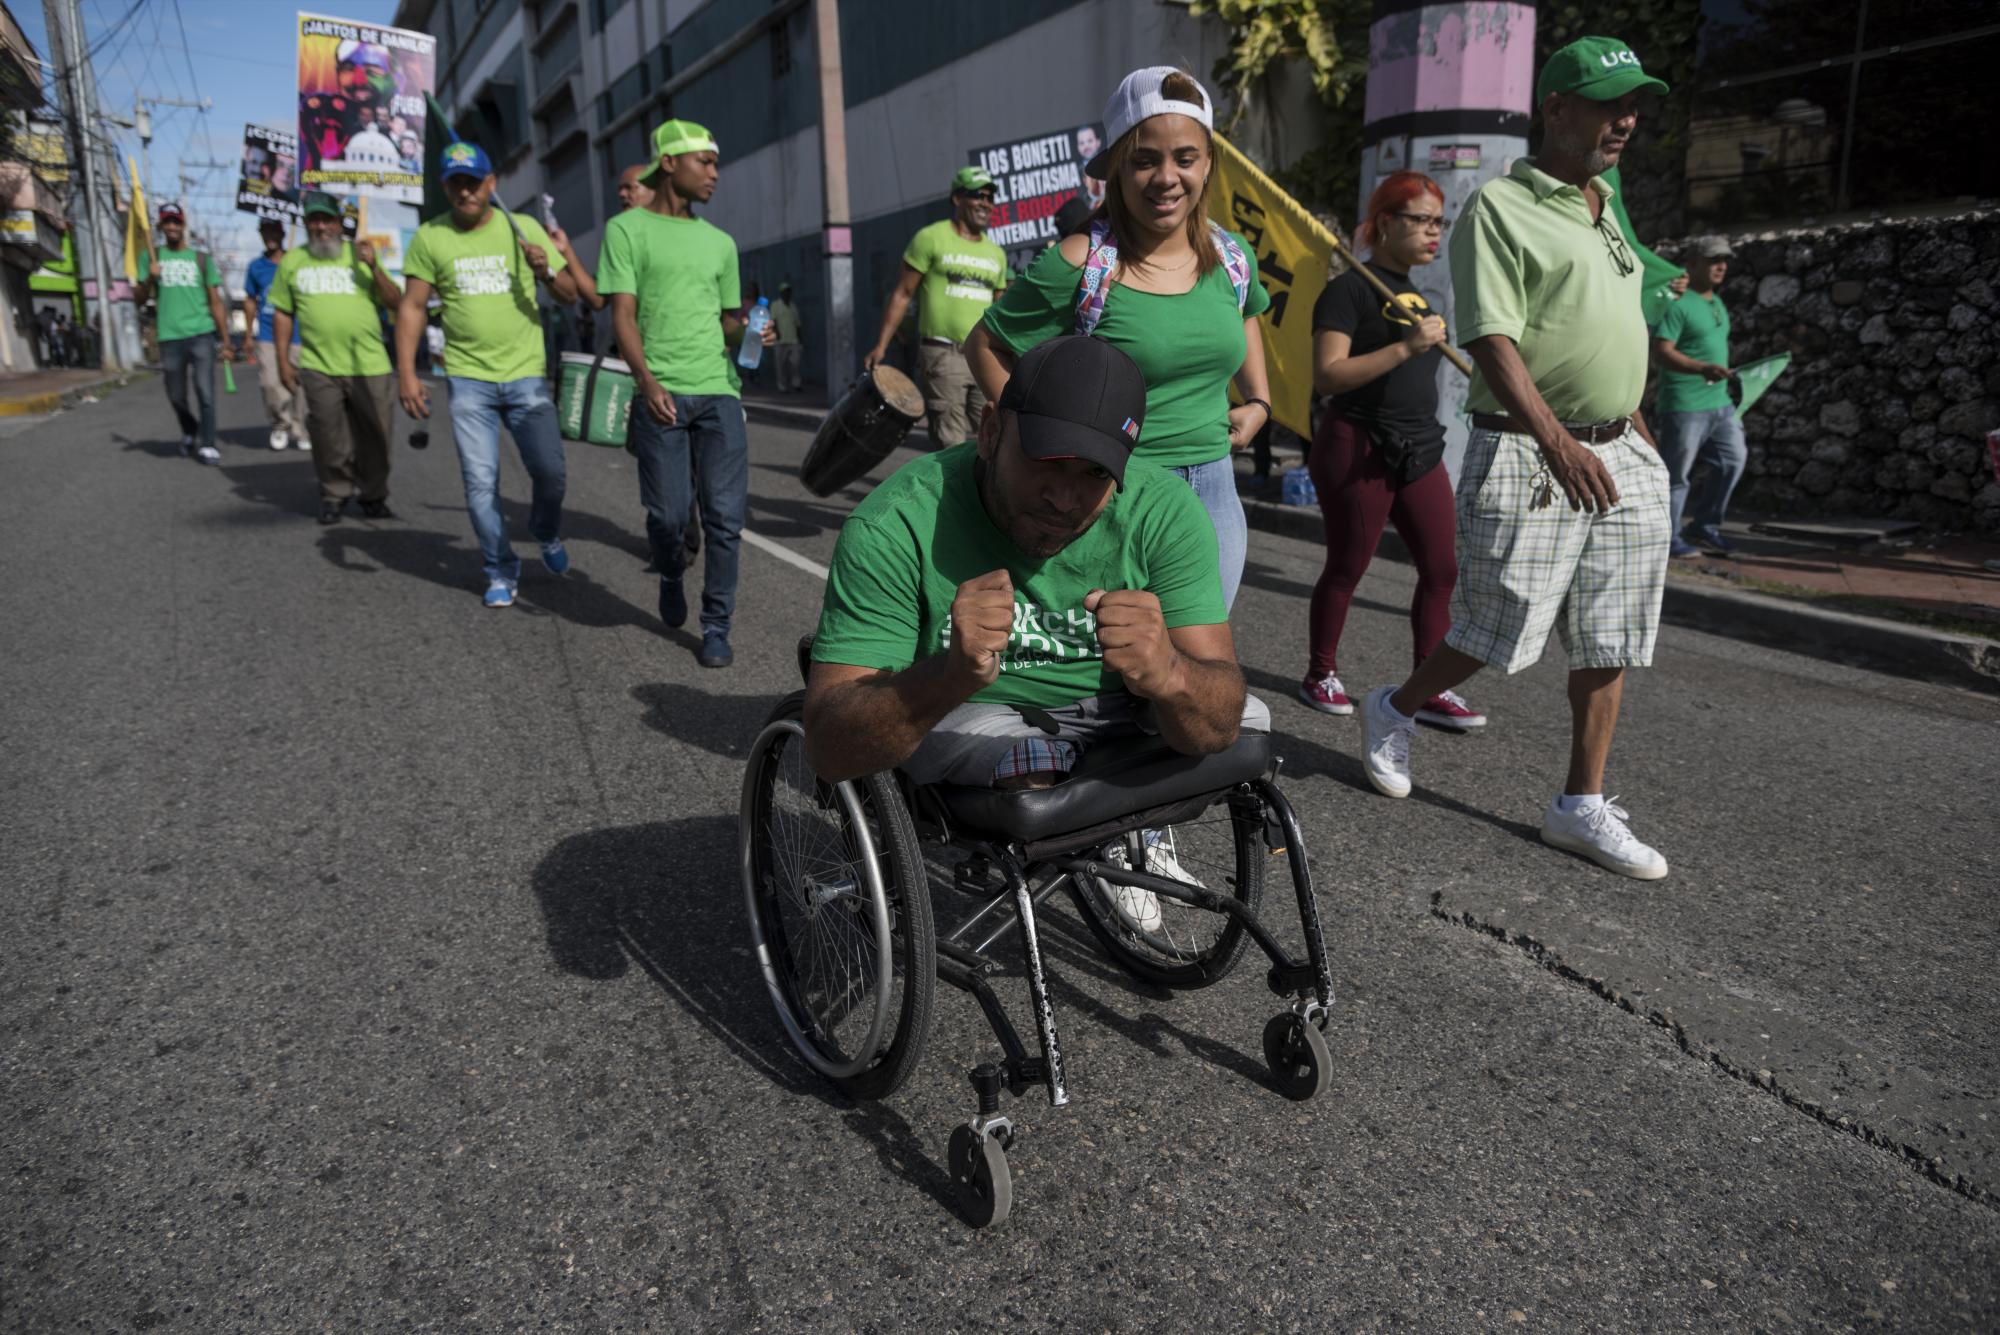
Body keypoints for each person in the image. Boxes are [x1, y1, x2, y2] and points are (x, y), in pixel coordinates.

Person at [805, 335, 1266, 920]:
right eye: (1046, 461)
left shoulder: (1163, 511)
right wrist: (948, 676)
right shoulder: (896, 525)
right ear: (991, 431)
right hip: (976, 715)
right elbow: (830, 746)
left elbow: (1219, 712)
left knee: (1248, 716)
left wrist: (1170, 674)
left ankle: (1112, 834)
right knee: (1030, 763)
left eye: (1094, 473)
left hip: (1118, 711)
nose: (1064, 498)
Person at [1356, 37, 1674, 881]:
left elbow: (1610, 319)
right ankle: (1396, 705)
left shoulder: (1607, 202)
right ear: (1557, 108)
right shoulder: (1500, 206)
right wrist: (1559, 439)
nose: (1627, 120)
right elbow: (1491, 339)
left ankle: (1579, 804)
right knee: (1497, 629)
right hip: (1533, 448)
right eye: (1610, 104)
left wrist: (1631, 412)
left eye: (1635, 105)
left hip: (1622, 448)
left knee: (1612, 636)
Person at [969, 66, 1273, 610]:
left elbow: (1247, 318)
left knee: (1194, 665)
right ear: (1114, 169)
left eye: (1185, 158)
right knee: (1112, 667)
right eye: (1144, 159)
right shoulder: (1078, 263)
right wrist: (1028, 438)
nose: (1166, 177)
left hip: (1216, 490)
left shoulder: (1233, 258)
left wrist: (1259, 402)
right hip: (1112, 493)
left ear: (1207, 165)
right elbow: (985, 346)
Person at [1300, 171, 1484, 731]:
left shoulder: (1419, 297)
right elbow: (1329, 374)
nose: (1434, 232)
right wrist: (1408, 345)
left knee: (1442, 566)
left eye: (1439, 221)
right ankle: (1321, 673)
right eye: (1422, 219)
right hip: (1358, 443)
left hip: (1419, 446)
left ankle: (1429, 685)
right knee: (1349, 564)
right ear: (1385, 223)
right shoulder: (1350, 288)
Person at [597, 118, 772, 667]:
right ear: (669, 163)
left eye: (716, 163)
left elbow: (725, 323)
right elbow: (622, 315)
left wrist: (751, 331)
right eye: (706, 161)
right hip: (661, 393)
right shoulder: (626, 230)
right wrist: (646, 381)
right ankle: (671, 570)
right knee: (670, 515)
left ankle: (716, 624)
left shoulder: (720, 242)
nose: (715, 173)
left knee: (724, 519)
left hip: (719, 391)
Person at [395, 141, 580, 609]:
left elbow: (570, 294)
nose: (465, 192)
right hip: (468, 378)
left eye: (473, 182)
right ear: (445, 187)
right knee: (480, 484)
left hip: (525, 375)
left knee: (550, 473)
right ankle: (499, 567)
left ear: (491, 184)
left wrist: (546, 271)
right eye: (456, 183)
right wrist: (407, 375)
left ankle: (545, 530)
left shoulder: (525, 229)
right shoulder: (430, 237)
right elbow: (413, 307)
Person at [272, 190, 404, 525]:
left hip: (370, 364)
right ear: (305, 224)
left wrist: (374, 267)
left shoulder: (360, 255)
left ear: (339, 222)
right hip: (318, 365)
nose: (320, 227)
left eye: (326, 219)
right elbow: (283, 314)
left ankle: (373, 493)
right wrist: (283, 361)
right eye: (313, 220)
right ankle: (335, 493)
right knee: (328, 435)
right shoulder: (293, 261)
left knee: (377, 435)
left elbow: (396, 302)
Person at [863, 166, 1009, 447]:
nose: (986, 203)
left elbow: (1000, 309)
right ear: (957, 199)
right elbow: (903, 293)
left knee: (996, 437)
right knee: (950, 441)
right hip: (943, 354)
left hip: (985, 354)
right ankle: (954, 491)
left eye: (991, 197)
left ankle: (980, 491)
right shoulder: (930, 238)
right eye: (979, 195)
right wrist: (881, 344)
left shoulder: (996, 254)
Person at [1651, 235, 1744, 557]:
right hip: (1684, 405)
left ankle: (1704, 527)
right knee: (1677, 475)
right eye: (1713, 260)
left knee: (1732, 462)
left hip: (1721, 404)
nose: (1722, 266)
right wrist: (1701, 368)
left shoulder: (1716, 302)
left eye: (1725, 260)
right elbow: (1661, 352)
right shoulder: (1677, 304)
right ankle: (1668, 536)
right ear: (1691, 265)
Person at [138, 203, 239, 466]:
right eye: (167, 222)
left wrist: (226, 340)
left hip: (201, 334)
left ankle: (207, 444)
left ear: (184, 225)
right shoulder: (151, 256)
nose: (172, 227)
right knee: (175, 395)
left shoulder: (201, 259)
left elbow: (215, 301)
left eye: (176, 222)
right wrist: (149, 279)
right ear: (160, 227)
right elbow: (137, 298)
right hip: (170, 337)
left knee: (205, 392)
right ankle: (189, 428)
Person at [242, 217, 311, 452]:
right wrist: (249, 334)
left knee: (300, 384)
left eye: (274, 231)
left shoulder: (298, 261)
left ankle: (302, 428)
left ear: (282, 234)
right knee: (270, 382)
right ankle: (280, 424)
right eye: (265, 231)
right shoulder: (256, 267)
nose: (270, 236)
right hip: (268, 335)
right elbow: (250, 301)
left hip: (299, 334)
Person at [770, 282, 803, 392]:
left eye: (788, 291)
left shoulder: (793, 306)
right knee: (780, 365)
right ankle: (782, 385)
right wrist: (776, 333)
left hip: (793, 340)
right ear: (781, 293)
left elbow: (798, 324)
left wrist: (800, 338)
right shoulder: (775, 305)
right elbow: (773, 321)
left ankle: (796, 383)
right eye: (785, 291)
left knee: (795, 364)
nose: (787, 293)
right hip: (780, 341)